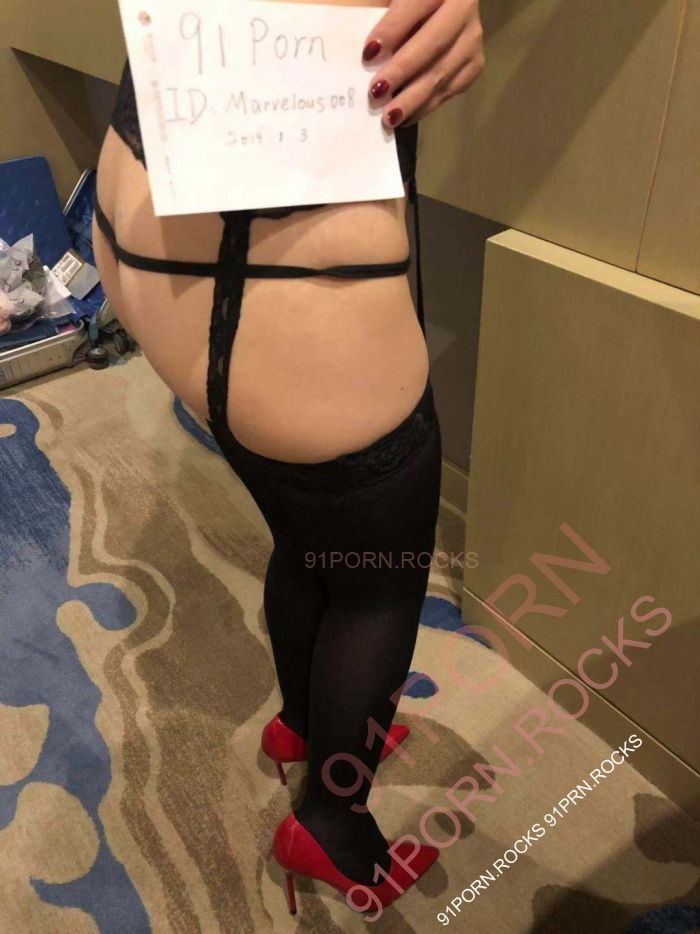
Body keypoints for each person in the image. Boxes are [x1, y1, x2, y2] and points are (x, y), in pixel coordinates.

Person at [92, 0, 484, 916]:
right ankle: (333, 823)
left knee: (314, 535)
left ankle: (308, 725)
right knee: (378, 583)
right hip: (288, 265)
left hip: (144, 203)